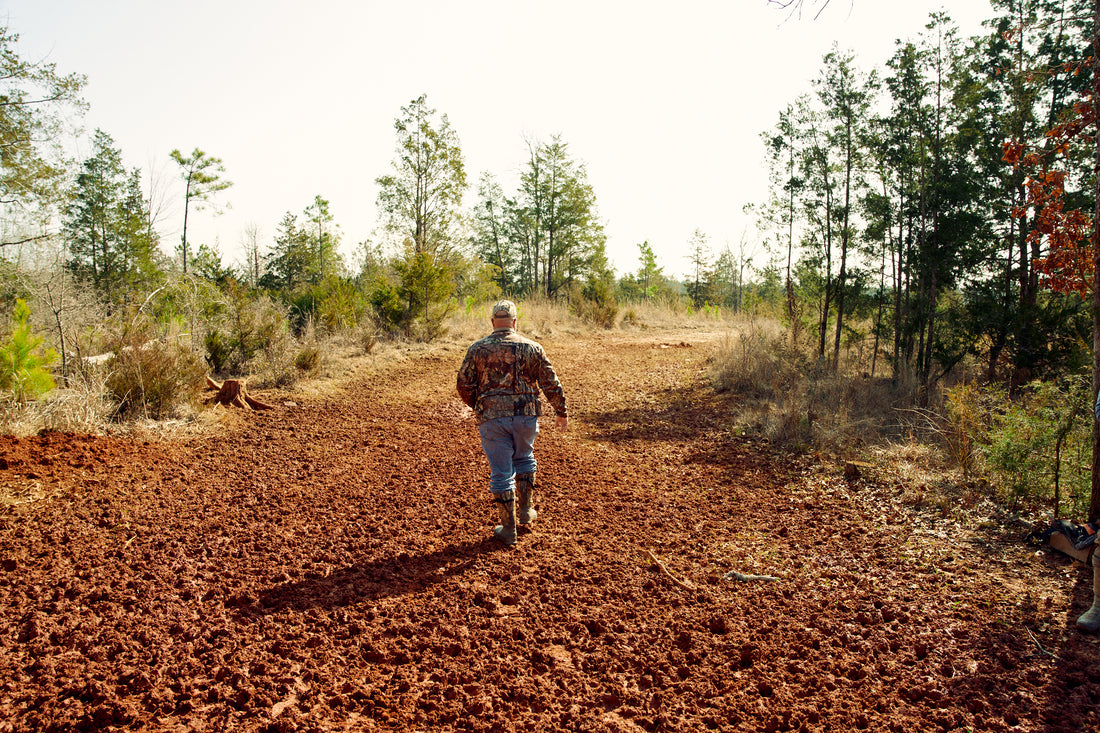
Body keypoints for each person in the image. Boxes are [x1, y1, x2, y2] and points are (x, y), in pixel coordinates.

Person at [456, 300, 569, 546]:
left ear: (493, 322)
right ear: (515, 323)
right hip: (526, 415)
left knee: (501, 472)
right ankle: (526, 511)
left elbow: (463, 383)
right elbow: (550, 381)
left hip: (492, 417)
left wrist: (479, 404)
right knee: (525, 458)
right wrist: (561, 410)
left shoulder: (477, 349)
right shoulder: (533, 347)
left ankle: (508, 529)